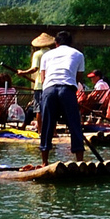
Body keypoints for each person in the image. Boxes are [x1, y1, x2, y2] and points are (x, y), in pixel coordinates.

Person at [29, 32, 86, 163]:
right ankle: (79, 161)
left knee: (47, 126)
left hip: (49, 90)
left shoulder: (46, 55)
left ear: (56, 43)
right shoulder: (78, 54)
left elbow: (43, 79)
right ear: (71, 43)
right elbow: (77, 79)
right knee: (74, 125)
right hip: (67, 90)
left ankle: (44, 162)